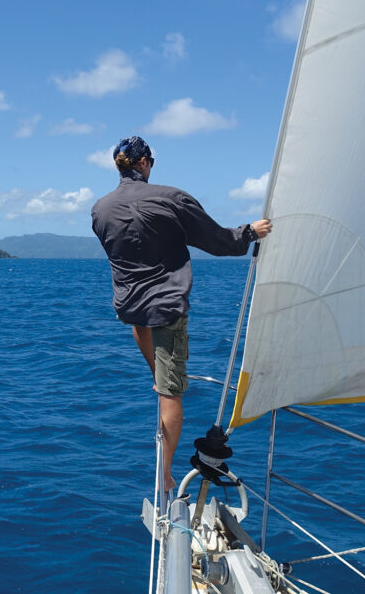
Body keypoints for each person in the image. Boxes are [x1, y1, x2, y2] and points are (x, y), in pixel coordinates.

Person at [90, 135, 271, 491]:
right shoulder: (170, 199)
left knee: (139, 325)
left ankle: (157, 375)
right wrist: (249, 232)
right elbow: (219, 242)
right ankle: (165, 473)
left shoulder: (100, 209)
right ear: (145, 163)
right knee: (170, 396)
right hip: (164, 305)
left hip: (129, 303)